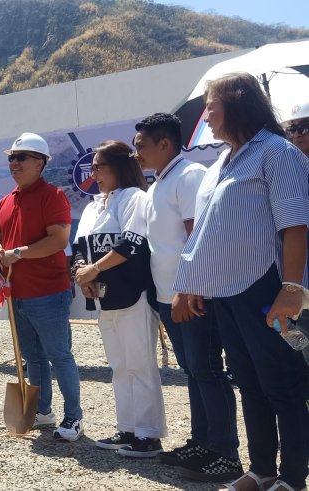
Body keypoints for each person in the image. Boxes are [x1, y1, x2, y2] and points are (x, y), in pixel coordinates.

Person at [173, 73, 309, 491]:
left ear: (236, 103)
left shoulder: (277, 152)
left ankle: (292, 477)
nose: (206, 116)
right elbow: (206, 232)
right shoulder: (220, 164)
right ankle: (261, 469)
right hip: (228, 295)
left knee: (283, 383)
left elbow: (296, 225)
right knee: (248, 383)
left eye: (211, 106)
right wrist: (191, 282)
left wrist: (291, 289)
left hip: (266, 290)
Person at [134, 113, 240, 479]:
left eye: (141, 146)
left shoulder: (189, 176)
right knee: (193, 371)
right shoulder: (157, 184)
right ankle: (203, 441)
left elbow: (199, 237)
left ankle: (225, 453)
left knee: (208, 370)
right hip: (167, 296)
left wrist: (186, 289)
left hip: (191, 295)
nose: (137, 154)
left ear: (166, 144)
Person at [73, 141, 167, 458]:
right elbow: (78, 251)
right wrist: (82, 276)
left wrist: (94, 269)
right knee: (119, 365)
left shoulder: (135, 198)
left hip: (135, 294)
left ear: (118, 167)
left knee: (140, 364)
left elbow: (132, 244)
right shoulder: (92, 206)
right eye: (93, 166)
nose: (94, 173)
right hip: (103, 299)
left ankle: (149, 435)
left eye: (99, 166)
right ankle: (127, 429)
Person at [0, 132, 84, 442]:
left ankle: (74, 417)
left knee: (59, 355)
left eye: (21, 157)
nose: (14, 163)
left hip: (47, 291)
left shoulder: (52, 196)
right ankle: (43, 411)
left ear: (40, 163)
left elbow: (58, 240)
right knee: (35, 357)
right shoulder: (6, 201)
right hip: (17, 292)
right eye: (11, 158)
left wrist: (18, 253)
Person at [283, 100, 309, 367]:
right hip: (299, 286)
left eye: (305, 126)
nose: (298, 133)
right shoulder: (290, 171)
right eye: (293, 128)